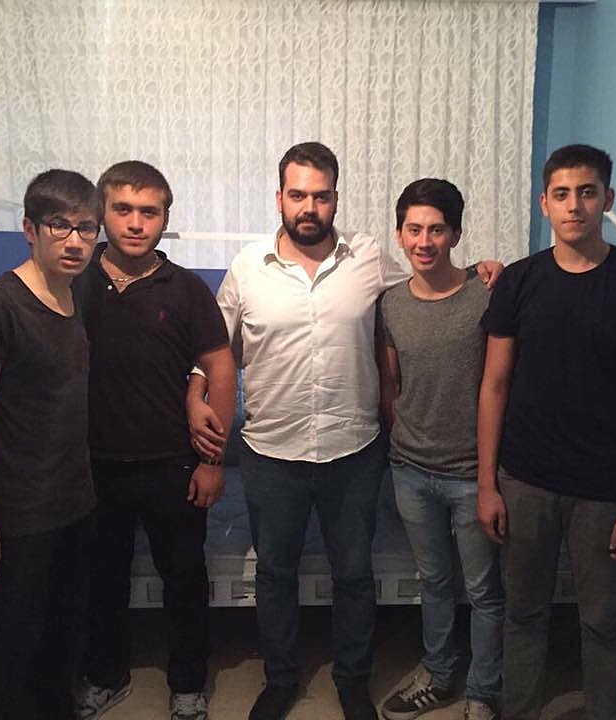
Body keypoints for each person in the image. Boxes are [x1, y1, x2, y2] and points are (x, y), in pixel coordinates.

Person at [189, 142, 500, 720]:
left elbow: (429, 279)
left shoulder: (369, 258)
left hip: (352, 451)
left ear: (336, 198)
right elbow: (213, 347)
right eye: (298, 195)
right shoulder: (247, 268)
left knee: (354, 576)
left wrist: (485, 268)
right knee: (275, 575)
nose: (309, 207)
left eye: (321, 196)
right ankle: (280, 680)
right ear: (279, 197)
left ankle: (353, 680)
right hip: (271, 453)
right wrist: (193, 391)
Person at [477, 144, 616, 720]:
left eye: (587, 192)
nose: (575, 206)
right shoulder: (519, 281)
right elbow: (494, 385)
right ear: (544, 203)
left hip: (606, 490)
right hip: (525, 481)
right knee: (522, 615)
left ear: (607, 199)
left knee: (604, 623)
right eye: (562, 194)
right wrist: (488, 484)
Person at [73, 161, 236, 720]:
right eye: (123, 209)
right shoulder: (74, 282)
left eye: (150, 211)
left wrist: (213, 462)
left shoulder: (187, 288)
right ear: (102, 213)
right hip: (94, 466)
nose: (136, 223)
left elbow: (221, 370)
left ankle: (188, 683)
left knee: (184, 580)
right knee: (101, 580)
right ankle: (105, 674)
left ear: (166, 218)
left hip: (174, 465)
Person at [0, 169, 101, 720]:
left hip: (74, 500)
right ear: (29, 229)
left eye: (86, 228)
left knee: (65, 635)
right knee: (20, 641)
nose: (74, 240)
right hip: (21, 510)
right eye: (59, 225)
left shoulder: (73, 296)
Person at [376, 179, 503, 720]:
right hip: (410, 469)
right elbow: (390, 383)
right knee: (434, 581)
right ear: (399, 234)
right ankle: (439, 673)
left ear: (455, 233)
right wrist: (402, 435)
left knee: (484, 590)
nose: (424, 241)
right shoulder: (390, 303)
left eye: (436, 229)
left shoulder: (487, 293)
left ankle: (483, 691)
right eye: (414, 229)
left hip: (473, 473)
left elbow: (503, 381)